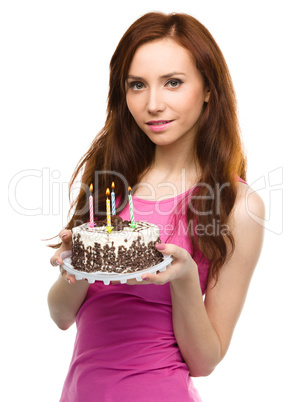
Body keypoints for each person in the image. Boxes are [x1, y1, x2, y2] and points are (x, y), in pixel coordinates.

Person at [48, 12, 265, 402]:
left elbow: (204, 361)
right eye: (137, 85)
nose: (152, 104)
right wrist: (76, 263)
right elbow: (62, 316)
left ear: (208, 89)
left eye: (173, 83)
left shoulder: (238, 205)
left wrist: (181, 279)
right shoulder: (111, 182)